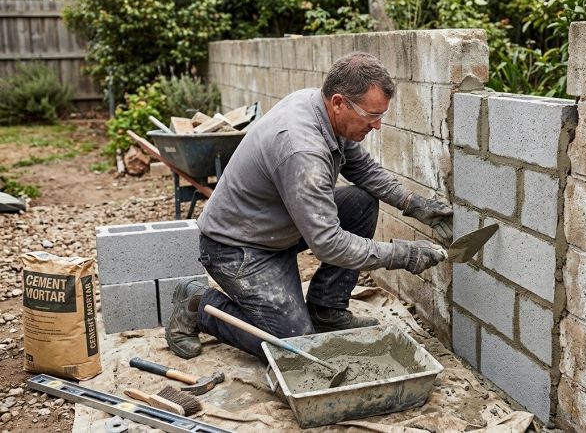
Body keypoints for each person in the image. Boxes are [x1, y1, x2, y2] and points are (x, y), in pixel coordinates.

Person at [165, 52, 453, 360]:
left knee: (360, 203)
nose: (378, 125)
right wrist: (403, 255)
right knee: (295, 346)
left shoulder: (320, 108)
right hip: (238, 248)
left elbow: (363, 170)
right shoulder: (302, 149)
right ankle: (198, 304)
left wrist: (414, 204)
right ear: (339, 103)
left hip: (277, 227)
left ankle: (327, 309)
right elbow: (328, 244)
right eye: (372, 116)